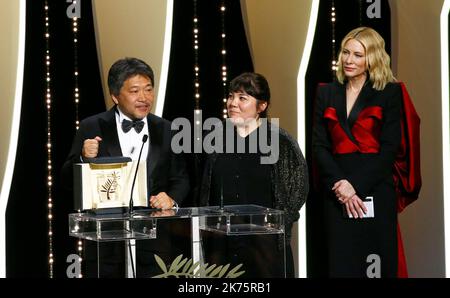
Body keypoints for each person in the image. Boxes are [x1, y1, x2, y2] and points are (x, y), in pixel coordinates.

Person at [62, 57, 190, 277]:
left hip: (155, 244)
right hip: (106, 246)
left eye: (149, 90)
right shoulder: (92, 126)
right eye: (135, 91)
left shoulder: (167, 128)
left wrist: (171, 199)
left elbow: (181, 178)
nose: (144, 98)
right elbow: (65, 181)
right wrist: (83, 157)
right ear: (115, 95)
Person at [312, 27, 420, 278]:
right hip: (336, 192)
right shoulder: (326, 92)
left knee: (377, 264)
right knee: (341, 265)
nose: (349, 60)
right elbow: (319, 145)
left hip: (375, 190)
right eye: (345, 53)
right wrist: (340, 184)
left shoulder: (390, 93)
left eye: (358, 55)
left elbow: (390, 150)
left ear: (372, 58)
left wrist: (355, 186)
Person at [199, 72, 309, 278]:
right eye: (231, 96)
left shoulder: (280, 141)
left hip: (265, 245)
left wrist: (280, 224)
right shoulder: (214, 138)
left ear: (262, 106)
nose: (233, 103)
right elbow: (204, 187)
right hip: (222, 244)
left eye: (242, 98)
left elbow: (298, 188)